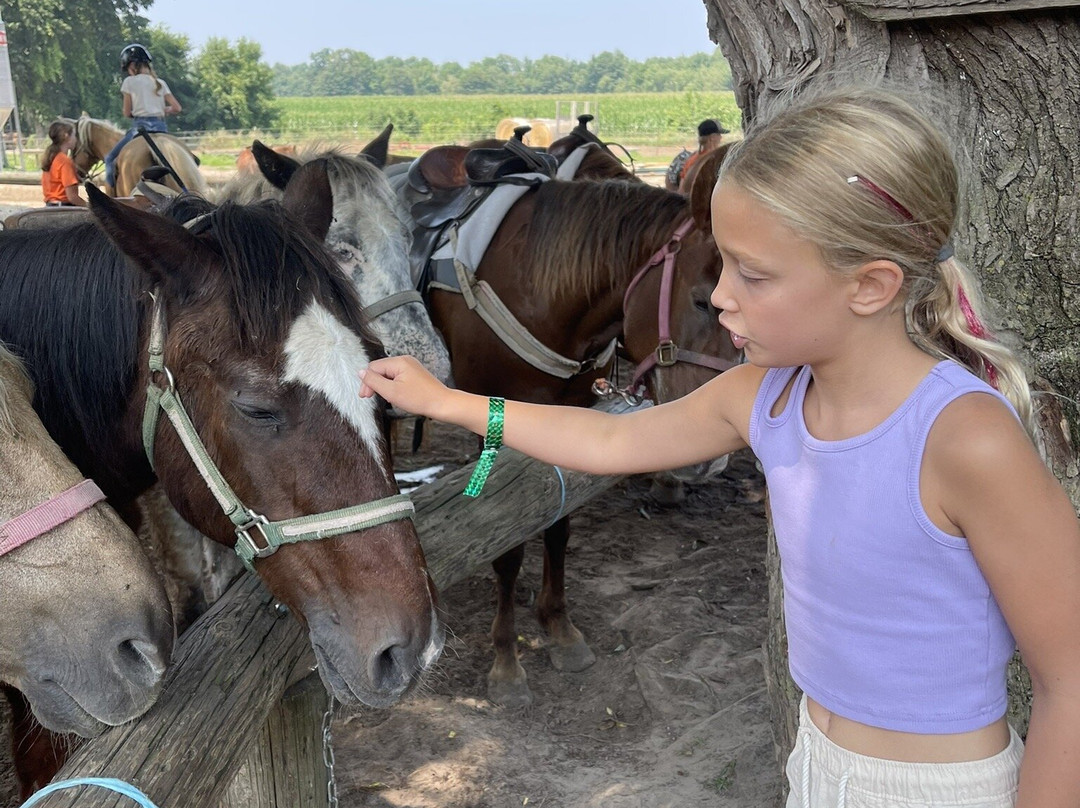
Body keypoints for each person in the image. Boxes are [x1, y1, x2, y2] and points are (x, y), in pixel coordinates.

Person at [359, 85, 1080, 807]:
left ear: (871, 285)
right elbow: (610, 437)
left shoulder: (965, 438)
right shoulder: (765, 396)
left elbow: (1071, 674)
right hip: (817, 766)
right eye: (724, 265)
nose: (724, 296)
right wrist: (446, 402)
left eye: (753, 274)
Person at [103, 43, 181, 195]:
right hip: (161, 128)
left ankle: (111, 195)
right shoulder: (160, 83)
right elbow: (177, 108)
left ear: (133, 65)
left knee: (110, 159)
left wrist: (137, 111)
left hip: (140, 128)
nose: (129, 72)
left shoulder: (129, 82)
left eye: (128, 69)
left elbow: (126, 112)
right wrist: (164, 110)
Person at [665, 117, 730, 192]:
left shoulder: (692, 159)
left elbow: (682, 188)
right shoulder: (714, 160)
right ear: (712, 138)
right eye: (719, 134)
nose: (721, 137)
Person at [40, 120, 86, 207]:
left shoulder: (51, 157)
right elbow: (72, 197)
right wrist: (90, 207)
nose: (75, 139)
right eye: (74, 135)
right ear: (66, 136)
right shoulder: (65, 161)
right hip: (64, 208)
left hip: (50, 207)